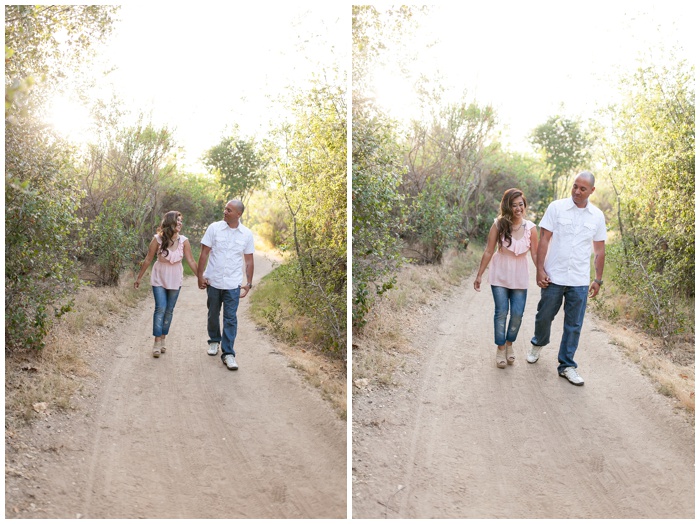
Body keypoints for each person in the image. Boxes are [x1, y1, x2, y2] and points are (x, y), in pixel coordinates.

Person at [527, 171, 607, 386]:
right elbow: (544, 240)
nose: (577, 191)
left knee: (574, 324)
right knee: (544, 316)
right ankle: (538, 343)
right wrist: (539, 270)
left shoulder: (597, 216)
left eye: (583, 188)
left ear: (592, 191)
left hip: (579, 280)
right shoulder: (556, 207)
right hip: (554, 275)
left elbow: (599, 250)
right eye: (575, 186)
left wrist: (597, 279)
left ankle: (567, 365)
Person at [474, 188, 539, 368]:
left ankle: (510, 344)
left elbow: (535, 254)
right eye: (514, 205)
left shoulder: (531, 229)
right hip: (500, 273)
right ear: (507, 206)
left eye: (521, 204)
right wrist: (479, 275)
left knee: (517, 314)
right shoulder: (498, 224)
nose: (518, 208)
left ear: (525, 205)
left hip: (519, 275)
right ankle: (501, 348)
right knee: (501, 312)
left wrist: (542, 272)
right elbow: (488, 250)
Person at [197, 199, 255, 371]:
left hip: (233, 283)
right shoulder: (214, 228)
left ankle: (228, 353)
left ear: (238, 214)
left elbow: (249, 261)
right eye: (225, 209)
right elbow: (204, 253)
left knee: (230, 318)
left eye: (229, 210)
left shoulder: (246, 234)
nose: (225, 212)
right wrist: (200, 276)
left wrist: (249, 283)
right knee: (213, 313)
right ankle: (214, 340)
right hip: (213, 281)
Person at [134, 211, 199, 358]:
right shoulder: (157, 239)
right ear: (170, 222)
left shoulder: (184, 241)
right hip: (159, 277)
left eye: (181, 221)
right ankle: (157, 342)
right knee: (160, 308)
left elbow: (191, 261)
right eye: (178, 221)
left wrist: (200, 278)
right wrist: (139, 278)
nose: (180, 224)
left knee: (169, 310)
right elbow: (148, 260)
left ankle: (163, 338)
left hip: (175, 277)